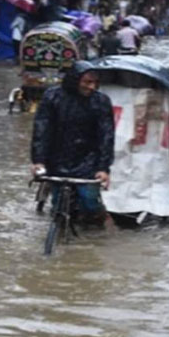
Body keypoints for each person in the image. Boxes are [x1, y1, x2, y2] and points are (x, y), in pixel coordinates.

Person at [31, 61, 115, 225]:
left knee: (90, 200)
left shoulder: (101, 101)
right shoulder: (52, 96)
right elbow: (41, 129)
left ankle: (101, 217)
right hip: (57, 157)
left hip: (88, 158)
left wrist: (103, 168)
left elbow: (106, 136)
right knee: (57, 203)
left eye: (95, 83)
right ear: (75, 80)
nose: (91, 87)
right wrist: (38, 160)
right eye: (87, 82)